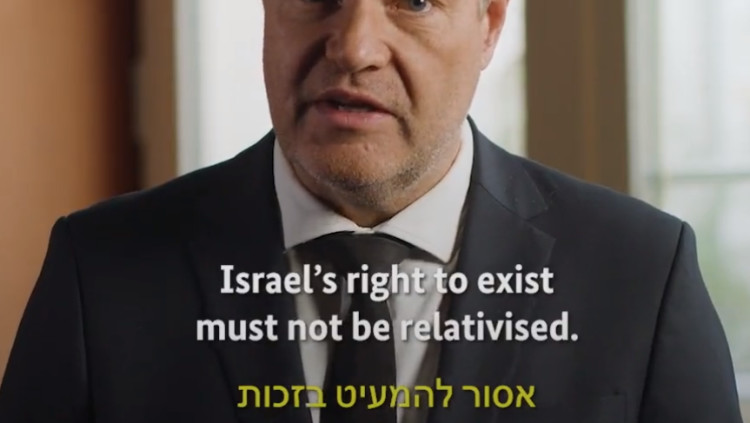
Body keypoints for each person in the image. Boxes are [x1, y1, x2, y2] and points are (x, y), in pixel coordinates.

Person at [0, 0, 743, 421]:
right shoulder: (99, 274)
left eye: (413, 0)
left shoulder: (642, 276)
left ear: (489, 23)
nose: (354, 46)